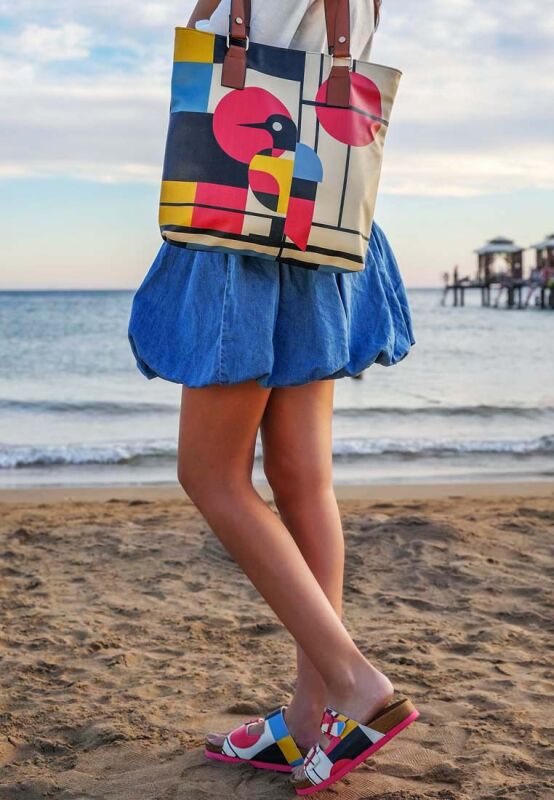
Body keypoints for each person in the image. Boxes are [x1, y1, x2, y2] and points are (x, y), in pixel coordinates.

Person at [128, 0, 417, 793]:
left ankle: (355, 684)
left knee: (211, 474)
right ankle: (309, 715)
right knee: (301, 479)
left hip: (243, 218)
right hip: (319, 222)